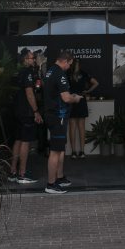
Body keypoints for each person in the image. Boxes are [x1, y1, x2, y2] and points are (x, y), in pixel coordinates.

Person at [43, 50, 83, 194]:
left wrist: (69, 96)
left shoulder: (50, 71)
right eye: (69, 64)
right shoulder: (60, 73)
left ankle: (59, 177)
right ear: (65, 61)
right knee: (55, 151)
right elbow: (66, 98)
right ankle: (51, 184)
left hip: (54, 115)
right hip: (57, 116)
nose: (69, 67)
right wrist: (75, 98)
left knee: (60, 148)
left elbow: (57, 94)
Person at [9, 48, 42, 185]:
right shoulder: (27, 72)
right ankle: (22, 174)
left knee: (18, 139)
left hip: (17, 111)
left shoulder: (19, 72)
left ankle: (13, 171)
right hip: (26, 112)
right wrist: (36, 111)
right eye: (31, 58)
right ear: (24, 60)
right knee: (25, 141)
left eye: (34, 58)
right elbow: (29, 93)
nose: (33, 60)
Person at [68, 58, 99, 158]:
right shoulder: (78, 73)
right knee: (77, 127)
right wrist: (87, 91)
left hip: (75, 100)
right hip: (76, 100)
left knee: (75, 127)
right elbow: (96, 83)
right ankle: (79, 152)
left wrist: (87, 91)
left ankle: (76, 152)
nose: (76, 65)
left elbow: (96, 83)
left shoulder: (70, 73)